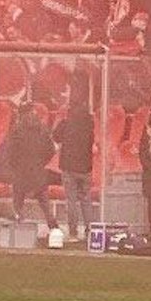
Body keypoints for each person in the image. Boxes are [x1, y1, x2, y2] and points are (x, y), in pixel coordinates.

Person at [0, 107, 56, 231]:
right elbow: (51, 150)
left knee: (18, 202)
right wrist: (41, 162)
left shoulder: (17, 130)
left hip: (21, 172)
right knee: (44, 203)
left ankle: (19, 228)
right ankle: (54, 228)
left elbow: (11, 152)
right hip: (38, 171)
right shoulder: (43, 128)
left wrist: (14, 166)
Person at [53, 101, 95, 243]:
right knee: (86, 200)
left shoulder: (66, 123)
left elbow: (55, 136)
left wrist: (62, 121)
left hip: (69, 167)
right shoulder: (90, 125)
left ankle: (73, 232)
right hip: (85, 168)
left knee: (71, 200)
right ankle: (90, 231)